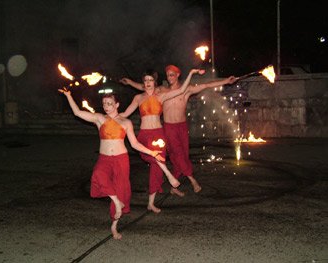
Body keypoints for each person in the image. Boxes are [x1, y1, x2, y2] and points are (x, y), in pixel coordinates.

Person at [58, 88, 164, 240]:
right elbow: (78, 113)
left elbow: (134, 144)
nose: (106, 106)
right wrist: (69, 95)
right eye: (104, 104)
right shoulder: (100, 119)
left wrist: (152, 152)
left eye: (110, 103)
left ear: (117, 104)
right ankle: (116, 200)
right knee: (98, 175)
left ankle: (114, 225)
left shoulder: (126, 122)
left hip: (121, 159)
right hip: (105, 159)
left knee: (121, 189)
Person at [121, 65, 237, 197]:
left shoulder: (186, 89)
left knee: (182, 155)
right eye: (167, 75)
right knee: (177, 154)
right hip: (168, 127)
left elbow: (206, 85)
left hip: (182, 126)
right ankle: (192, 179)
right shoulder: (162, 91)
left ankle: (173, 187)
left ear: (177, 75)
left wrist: (226, 81)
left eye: (172, 75)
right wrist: (129, 82)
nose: (169, 78)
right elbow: (144, 87)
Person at [120, 68, 204, 213]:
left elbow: (182, 89)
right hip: (145, 135)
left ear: (155, 82)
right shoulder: (138, 98)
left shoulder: (161, 96)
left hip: (159, 134)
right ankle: (169, 175)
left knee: (156, 168)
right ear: (143, 83)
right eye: (145, 81)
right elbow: (125, 113)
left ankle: (150, 203)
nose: (148, 83)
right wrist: (110, 116)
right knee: (155, 158)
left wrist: (190, 73)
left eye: (150, 80)